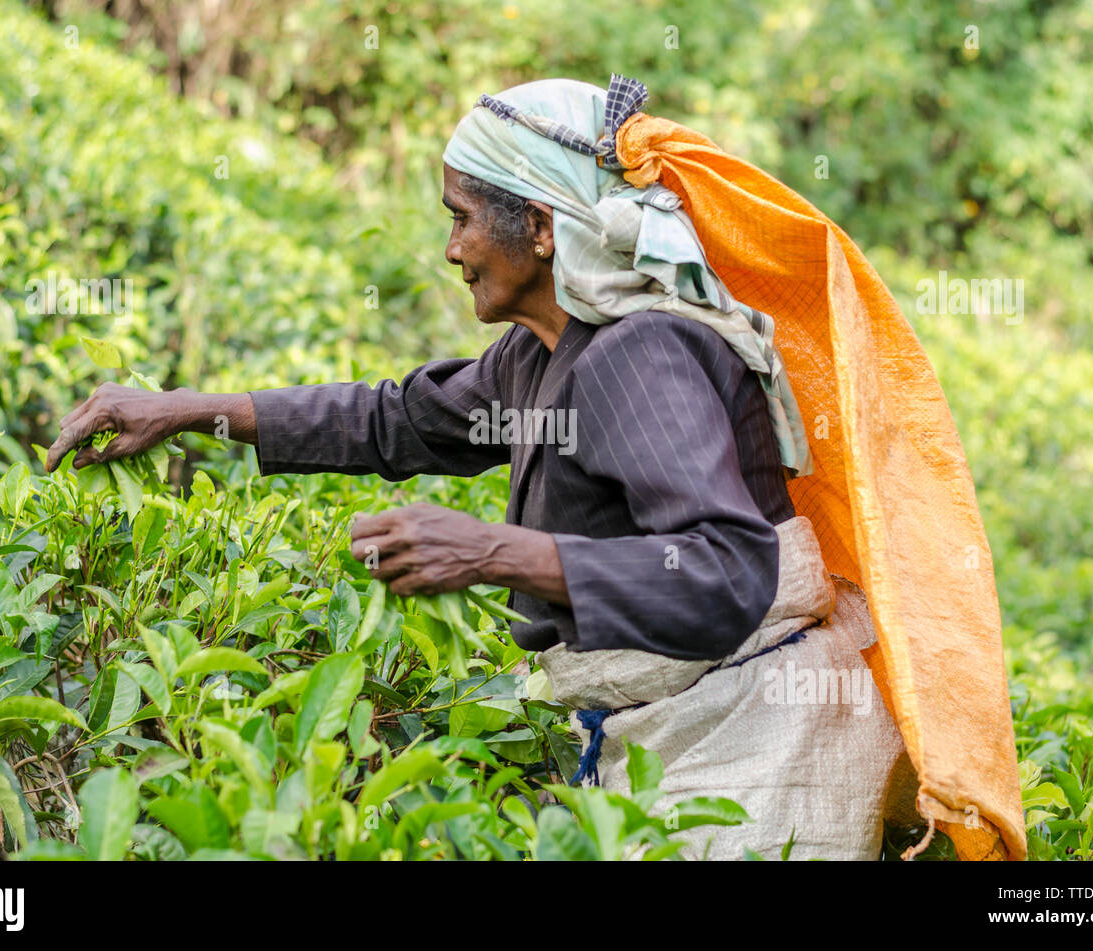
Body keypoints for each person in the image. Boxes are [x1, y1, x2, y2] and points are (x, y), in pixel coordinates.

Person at [46, 75, 910, 860]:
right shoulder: (539, 354)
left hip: (746, 742)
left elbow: (726, 573)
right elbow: (397, 418)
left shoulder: (643, 357)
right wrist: (193, 409)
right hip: (660, 729)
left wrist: (492, 551)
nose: (452, 249)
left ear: (539, 228)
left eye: (461, 218)